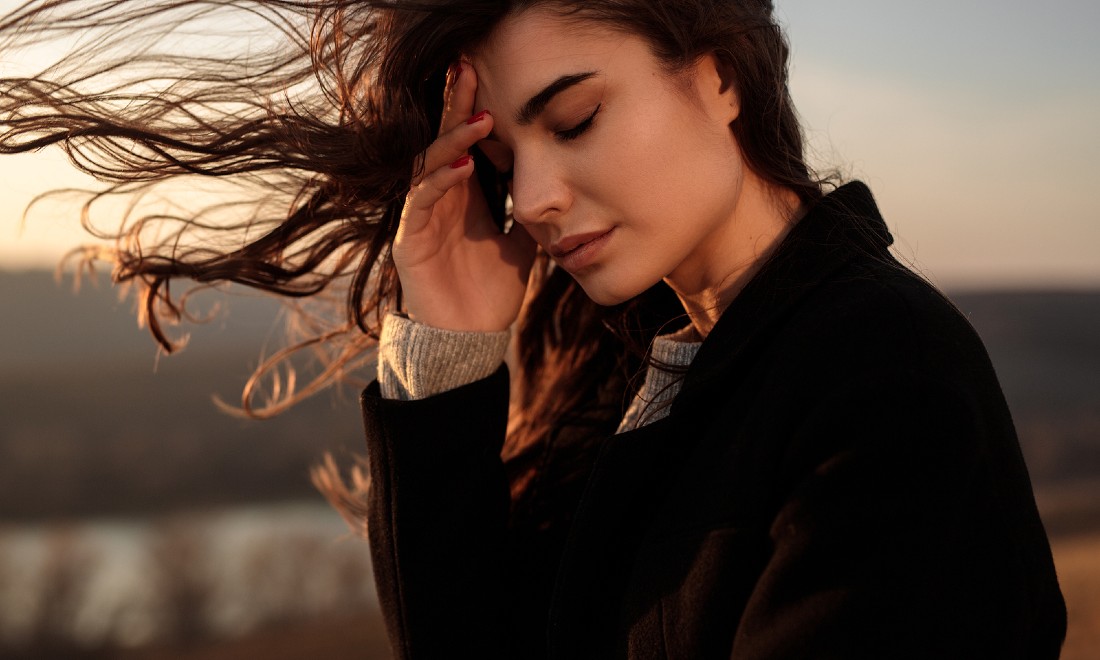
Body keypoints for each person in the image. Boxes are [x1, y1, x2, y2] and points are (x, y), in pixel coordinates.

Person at [0, 0, 1066, 657]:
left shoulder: (881, 373)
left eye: (574, 119)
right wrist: (449, 350)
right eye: (505, 158)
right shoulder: (630, 366)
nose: (535, 196)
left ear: (722, 75)